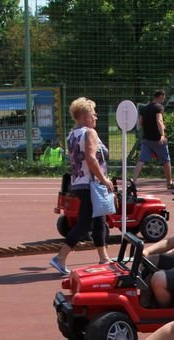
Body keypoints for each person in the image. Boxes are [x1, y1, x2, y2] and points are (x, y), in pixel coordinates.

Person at [50, 97, 115, 276]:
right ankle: (60, 257)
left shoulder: (72, 134)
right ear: (85, 116)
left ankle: (104, 257)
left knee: (99, 220)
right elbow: (91, 157)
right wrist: (104, 179)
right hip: (91, 183)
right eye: (93, 114)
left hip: (79, 182)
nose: (96, 117)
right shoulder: (89, 133)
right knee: (85, 223)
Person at [133, 90, 174, 190]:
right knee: (166, 160)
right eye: (164, 97)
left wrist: (147, 128)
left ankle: (133, 182)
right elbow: (159, 120)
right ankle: (169, 183)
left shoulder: (144, 109)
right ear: (160, 96)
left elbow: (141, 123)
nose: (164, 99)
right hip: (158, 140)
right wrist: (162, 135)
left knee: (141, 161)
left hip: (146, 139)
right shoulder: (159, 107)